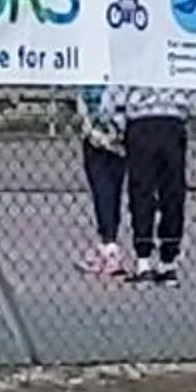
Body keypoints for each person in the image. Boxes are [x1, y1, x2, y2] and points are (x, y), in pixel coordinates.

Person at [109, 81, 196, 285]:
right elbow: (193, 91)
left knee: (141, 192)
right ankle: (168, 260)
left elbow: (114, 93)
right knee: (172, 193)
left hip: (140, 121)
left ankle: (143, 260)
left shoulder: (133, 54)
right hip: (173, 119)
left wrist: (119, 120)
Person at [71, 85, 128, 278]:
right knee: (108, 187)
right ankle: (107, 242)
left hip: (107, 127)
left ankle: (110, 246)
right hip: (111, 125)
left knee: (104, 187)